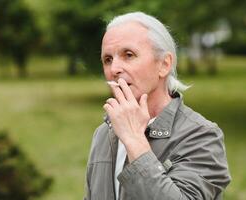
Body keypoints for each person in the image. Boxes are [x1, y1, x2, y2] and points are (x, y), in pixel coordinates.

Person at [84, 11, 231, 200]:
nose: (114, 69)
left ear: (164, 64)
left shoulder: (202, 136)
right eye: (108, 59)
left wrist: (134, 139)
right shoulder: (103, 134)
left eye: (128, 55)